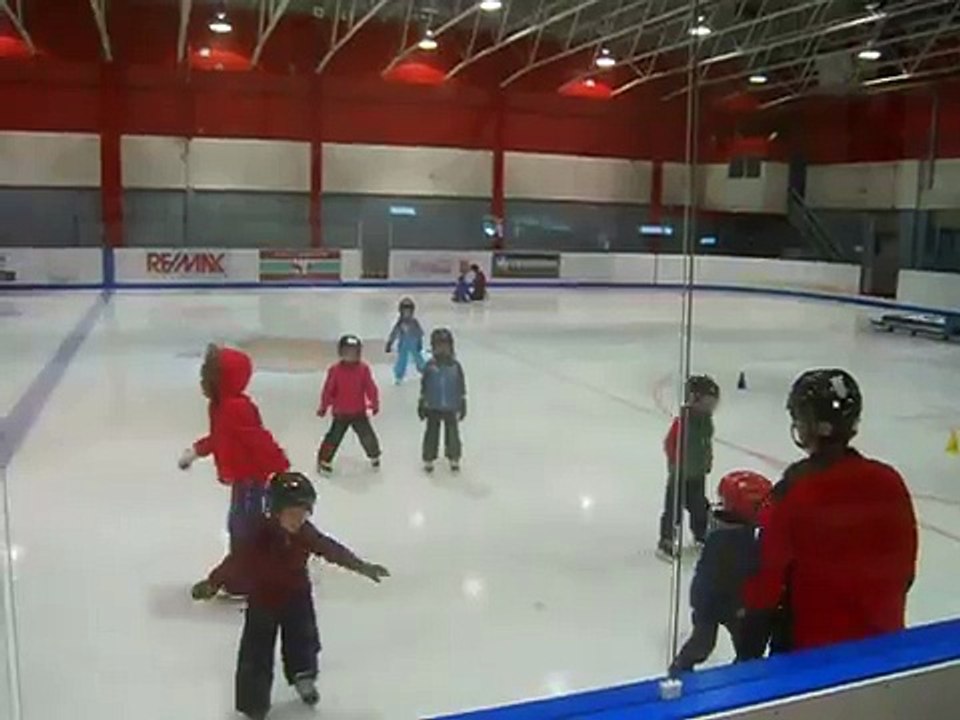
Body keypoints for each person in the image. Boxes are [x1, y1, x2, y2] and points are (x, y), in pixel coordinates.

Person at [740, 369, 918, 659]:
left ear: (807, 425)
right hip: (886, 652)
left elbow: (765, 585)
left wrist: (747, 658)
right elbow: (906, 572)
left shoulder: (792, 493)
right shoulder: (890, 481)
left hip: (813, 664)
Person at [191, 472, 390, 720]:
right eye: (292, 514)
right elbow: (235, 562)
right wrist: (212, 583)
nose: (298, 520)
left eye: (303, 514)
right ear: (275, 511)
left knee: (303, 638)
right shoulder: (257, 536)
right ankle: (253, 702)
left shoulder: (305, 533)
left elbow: (330, 549)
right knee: (256, 651)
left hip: (297, 595)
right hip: (263, 599)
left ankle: (303, 675)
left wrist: (362, 566)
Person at [179, 344, 289, 596]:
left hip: (253, 479)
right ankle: (244, 575)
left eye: (207, 373)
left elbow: (257, 438)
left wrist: (279, 465)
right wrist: (196, 451)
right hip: (241, 479)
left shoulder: (236, 407)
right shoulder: (219, 406)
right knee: (240, 527)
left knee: (246, 529)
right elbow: (220, 437)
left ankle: (237, 578)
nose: (202, 378)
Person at [670, 470, 772, 675]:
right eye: (759, 505)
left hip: (727, 599)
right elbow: (742, 569)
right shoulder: (730, 538)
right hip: (716, 601)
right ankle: (679, 671)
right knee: (704, 643)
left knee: (744, 645)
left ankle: (742, 671)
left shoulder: (733, 527)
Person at [658, 375, 720, 560]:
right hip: (680, 475)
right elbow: (670, 443)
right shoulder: (683, 423)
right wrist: (675, 464)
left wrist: (707, 460)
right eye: (709, 402)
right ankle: (667, 540)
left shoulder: (706, 421)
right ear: (694, 400)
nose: (712, 407)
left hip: (698, 474)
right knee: (673, 509)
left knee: (699, 506)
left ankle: (701, 534)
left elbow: (705, 443)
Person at [316, 335, 381, 474]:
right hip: (340, 413)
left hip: (359, 412)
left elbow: (370, 387)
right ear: (341, 352)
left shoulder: (363, 369)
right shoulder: (335, 370)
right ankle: (324, 459)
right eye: (347, 352)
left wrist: (374, 403)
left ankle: (374, 454)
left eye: (353, 352)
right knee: (333, 437)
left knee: (367, 435)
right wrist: (324, 406)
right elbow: (328, 390)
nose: (350, 356)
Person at [418, 328, 467, 473]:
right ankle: (429, 457)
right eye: (439, 346)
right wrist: (422, 402)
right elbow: (424, 386)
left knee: (452, 433)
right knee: (431, 433)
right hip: (433, 406)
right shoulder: (430, 367)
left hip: (451, 406)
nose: (442, 350)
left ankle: (454, 456)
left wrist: (462, 401)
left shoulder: (455, 366)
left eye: (445, 346)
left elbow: (460, 385)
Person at [385, 297, 426, 384]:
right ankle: (399, 375)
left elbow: (419, 333)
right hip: (403, 343)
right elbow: (394, 333)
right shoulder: (400, 323)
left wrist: (419, 342)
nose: (407, 313)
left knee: (418, 357)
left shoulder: (414, 322)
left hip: (413, 342)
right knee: (402, 359)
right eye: (405, 311)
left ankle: (424, 370)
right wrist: (390, 342)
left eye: (408, 311)